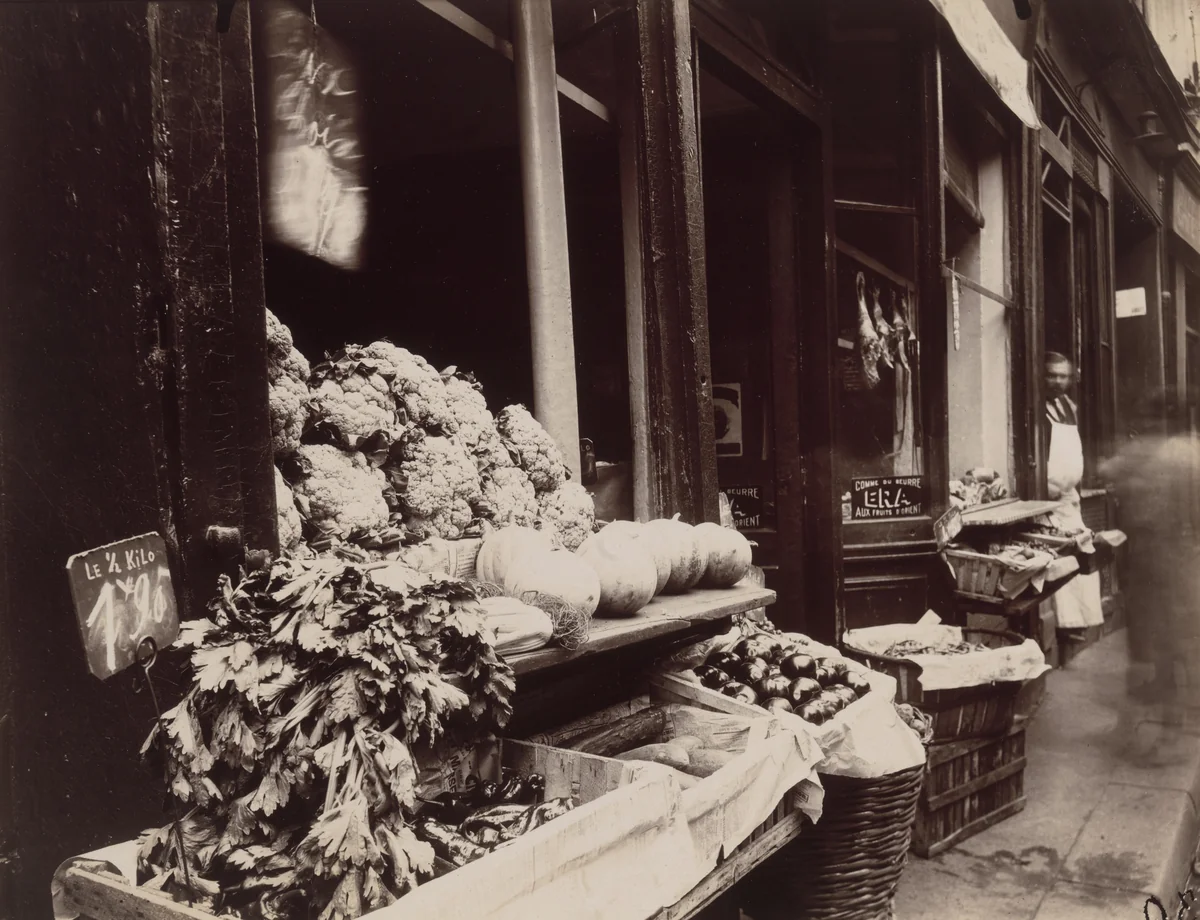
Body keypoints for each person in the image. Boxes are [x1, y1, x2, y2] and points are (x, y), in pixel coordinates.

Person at [1099, 388, 1200, 707]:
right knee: (1173, 618)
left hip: (1159, 545)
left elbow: (1106, 470)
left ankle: (1179, 701)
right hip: (1177, 545)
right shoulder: (1189, 449)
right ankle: (1169, 684)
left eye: (1149, 416)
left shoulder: (1150, 450)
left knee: (1167, 619)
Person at [1042, 352, 1104, 640]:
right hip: (1047, 496)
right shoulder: (1038, 407)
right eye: (1052, 375)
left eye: (1063, 376)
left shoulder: (1068, 406)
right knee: (1059, 555)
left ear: (1071, 378)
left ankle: (1081, 619)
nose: (1058, 381)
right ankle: (1065, 624)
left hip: (1069, 496)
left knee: (1081, 549)